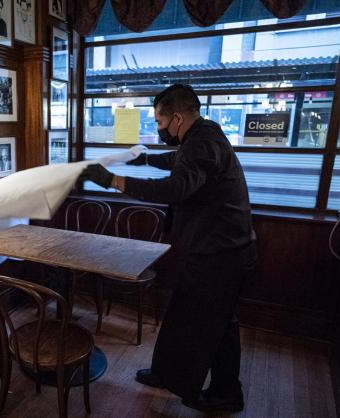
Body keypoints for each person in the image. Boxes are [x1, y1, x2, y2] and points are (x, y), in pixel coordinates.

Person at [79, 84, 257, 413]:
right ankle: (167, 372)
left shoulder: (202, 141)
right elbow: (179, 160)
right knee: (186, 314)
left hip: (221, 253)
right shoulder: (202, 135)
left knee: (215, 324)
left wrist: (114, 180)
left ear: (176, 118)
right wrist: (144, 158)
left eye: (160, 123)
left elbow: (177, 187)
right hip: (217, 247)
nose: (159, 130)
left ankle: (226, 393)